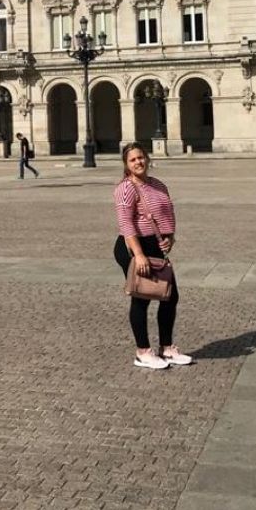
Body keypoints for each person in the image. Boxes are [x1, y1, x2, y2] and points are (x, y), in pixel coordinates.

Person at [113, 142, 191, 370]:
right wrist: (139, 255)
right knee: (142, 297)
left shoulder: (158, 184)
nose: (138, 162)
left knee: (170, 296)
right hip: (133, 245)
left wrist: (170, 237)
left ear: (147, 158)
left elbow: (168, 212)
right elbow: (126, 223)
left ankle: (166, 348)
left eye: (141, 157)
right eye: (133, 159)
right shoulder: (125, 188)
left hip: (155, 244)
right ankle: (143, 352)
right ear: (126, 165)